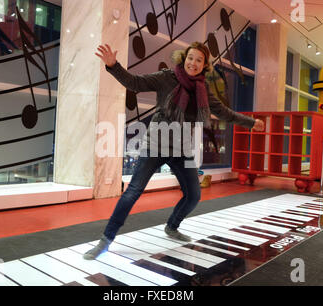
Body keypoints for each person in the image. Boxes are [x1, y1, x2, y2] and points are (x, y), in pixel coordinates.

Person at [83, 42, 264, 260]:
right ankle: (105, 240)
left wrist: (250, 123)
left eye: (199, 60)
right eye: (191, 58)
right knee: (133, 192)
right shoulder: (167, 77)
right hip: (155, 145)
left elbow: (223, 112)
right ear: (184, 58)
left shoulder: (202, 88)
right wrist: (114, 66)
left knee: (194, 195)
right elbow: (135, 83)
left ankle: (172, 226)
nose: (193, 63)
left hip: (181, 149)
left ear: (205, 65)